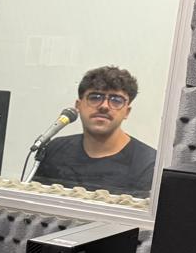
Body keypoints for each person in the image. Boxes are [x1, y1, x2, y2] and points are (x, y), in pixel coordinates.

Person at [31, 65, 157, 197]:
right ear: (78, 106)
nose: (104, 106)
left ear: (127, 112)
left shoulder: (149, 164)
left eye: (116, 100)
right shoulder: (55, 150)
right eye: (95, 97)